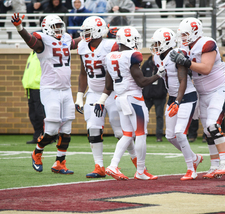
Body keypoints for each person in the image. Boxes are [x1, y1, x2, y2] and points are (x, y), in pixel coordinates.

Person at [11, 13, 81, 174]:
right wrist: (20, 28)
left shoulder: (65, 39)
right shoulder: (43, 42)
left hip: (66, 89)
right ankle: (37, 152)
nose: (58, 29)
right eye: (55, 26)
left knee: (67, 128)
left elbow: (75, 43)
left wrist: (91, 35)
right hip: (50, 89)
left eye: (59, 26)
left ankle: (60, 162)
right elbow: (31, 41)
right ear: (47, 28)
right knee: (52, 129)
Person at [94, 26, 163, 180]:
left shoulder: (110, 56)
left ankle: (113, 165)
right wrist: (159, 75)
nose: (137, 42)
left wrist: (102, 100)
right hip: (134, 99)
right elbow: (142, 82)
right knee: (140, 134)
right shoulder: (133, 55)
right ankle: (140, 171)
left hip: (119, 99)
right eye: (136, 39)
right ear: (129, 39)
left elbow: (109, 86)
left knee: (127, 135)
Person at [74, 16, 137, 178]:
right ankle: (99, 166)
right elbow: (83, 72)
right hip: (94, 93)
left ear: (99, 31)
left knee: (121, 132)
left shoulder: (112, 45)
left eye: (88, 31)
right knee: (93, 129)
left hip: (113, 92)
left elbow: (128, 56)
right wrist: (80, 95)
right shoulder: (82, 46)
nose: (85, 34)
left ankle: (138, 163)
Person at [170, 17, 225, 179]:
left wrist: (185, 61)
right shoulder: (184, 46)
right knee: (207, 131)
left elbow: (205, 68)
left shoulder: (207, 43)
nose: (182, 37)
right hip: (202, 94)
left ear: (195, 32)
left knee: (212, 125)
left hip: (218, 91)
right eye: (181, 34)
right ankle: (214, 165)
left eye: (185, 34)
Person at [151, 27, 203, 180]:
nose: (156, 46)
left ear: (167, 43)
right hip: (173, 97)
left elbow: (183, 81)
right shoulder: (156, 57)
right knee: (170, 136)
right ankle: (194, 158)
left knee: (180, 132)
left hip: (186, 96)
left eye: (158, 43)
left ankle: (191, 168)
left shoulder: (177, 55)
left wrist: (178, 102)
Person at [141, 53, 167, 142]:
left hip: (160, 95)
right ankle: (140, 133)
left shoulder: (163, 63)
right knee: (143, 114)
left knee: (159, 116)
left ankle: (159, 136)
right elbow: (141, 77)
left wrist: (164, 91)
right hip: (148, 95)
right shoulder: (146, 64)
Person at [22, 51, 45, 144]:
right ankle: (37, 135)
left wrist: (38, 80)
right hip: (30, 87)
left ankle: (46, 135)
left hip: (38, 87)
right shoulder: (32, 54)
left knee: (41, 113)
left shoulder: (42, 53)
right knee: (33, 114)